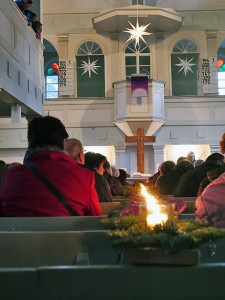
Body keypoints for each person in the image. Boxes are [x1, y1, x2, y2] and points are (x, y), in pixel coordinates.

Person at [0, 116, 102, 217]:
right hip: (67, 233)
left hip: (16, 233)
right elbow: (96, 219)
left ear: (30, 143)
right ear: (64, 143)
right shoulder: (85, 177)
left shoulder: (10, 176)